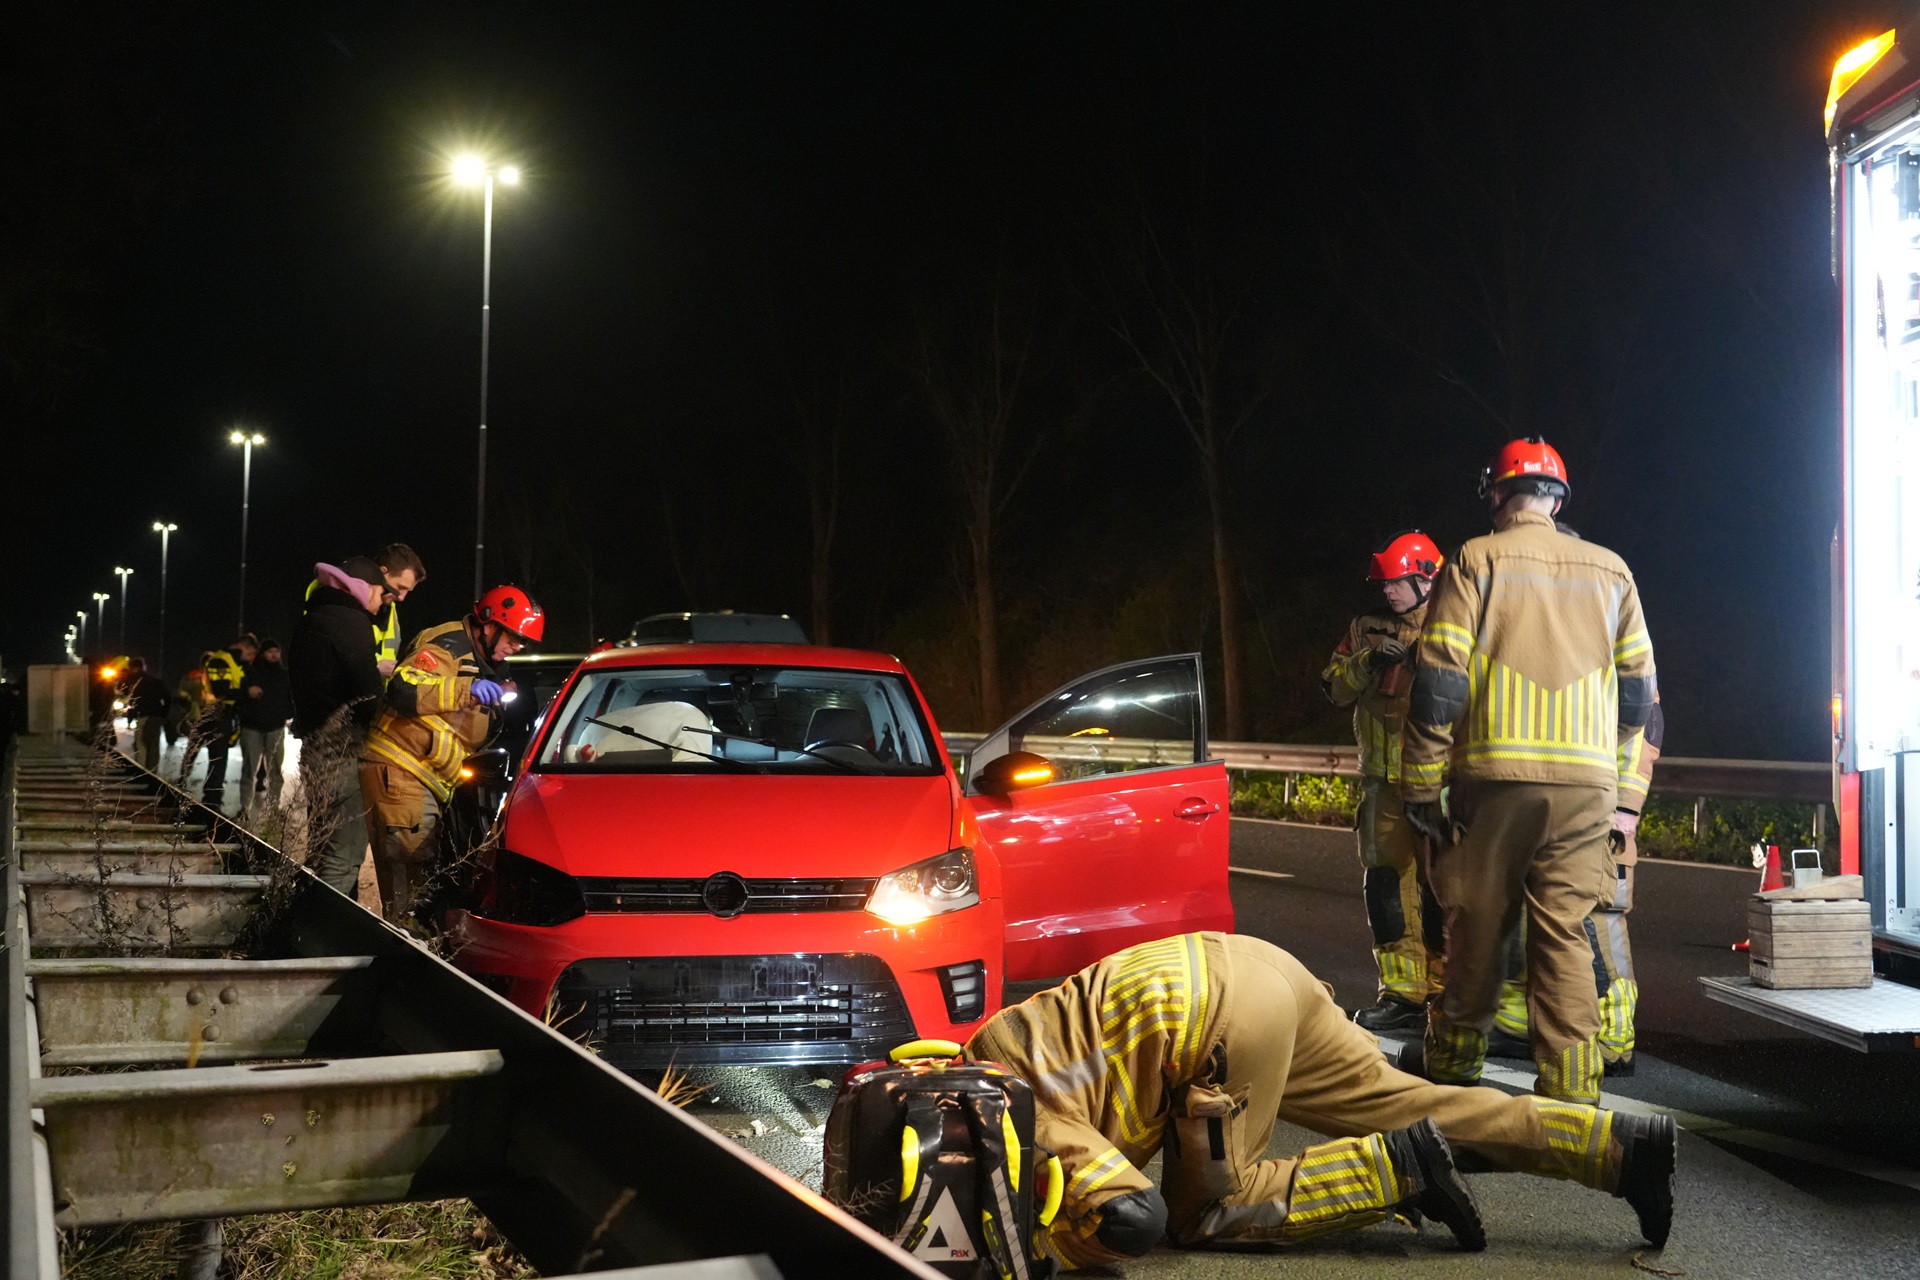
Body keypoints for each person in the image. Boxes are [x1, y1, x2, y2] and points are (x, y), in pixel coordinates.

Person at [965, 932, 1674, 1268]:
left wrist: (1045, 1243)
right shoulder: (996, 1045)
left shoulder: (999, 1110)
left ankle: (1401, 1168)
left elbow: (1128, 1215)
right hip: (1255, 965)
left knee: (1206, 1212)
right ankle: (1616, 1148)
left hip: (1208, 1019)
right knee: (1412, 1101)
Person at [1399, 437, 1656, 1104]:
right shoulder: (1612, 571)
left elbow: (1439, 683)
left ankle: (1452, 1086)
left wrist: (1422, 782)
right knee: (1564, 935)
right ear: (1558, 497)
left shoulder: (1475, 559)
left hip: (1495, 781)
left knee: (1477, 928)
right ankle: (1572, 1102)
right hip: (1587, 789)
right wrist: (1615, 783)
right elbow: (1638, 698)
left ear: (1496, 492)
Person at [1492, 695, 1663, 1077]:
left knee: (1597, 920)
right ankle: (1518, 1024)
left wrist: (1625, 808)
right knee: (1525, 913)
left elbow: (1646, 722)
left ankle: (1613, 1039)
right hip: (1554, 805)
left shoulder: (1617, 638)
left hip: (1601, 814)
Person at [1321, 532, 1447, 1034]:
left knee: (1444, 892)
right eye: (1386, 583)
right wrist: (1367, 661)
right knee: (1387, 888)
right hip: (1382, 781)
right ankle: (1402, 995)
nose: (1388, 591)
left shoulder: (1455, 625)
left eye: (1397, 582)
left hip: (1440, 783)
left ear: (1424, 578)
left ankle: (1447, 993)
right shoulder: (1365, 627)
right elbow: (1333, 688)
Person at [360, 584, 544, 922]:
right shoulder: (448, 643)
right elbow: (403, 690)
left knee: (424, 874)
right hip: (401, 769)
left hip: (431, 778)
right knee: (406, 878)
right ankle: (404, 956)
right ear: (489, 623)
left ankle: (416, 949)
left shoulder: (487, 660)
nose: (517, 647)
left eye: (524, 642)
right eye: (514, 637)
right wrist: (467, 689)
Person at [289, 561, 388, 896]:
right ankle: (324, 937)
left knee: (320, 848)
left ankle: (303, 925)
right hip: (344, 749)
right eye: (383, 595)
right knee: (342, 856)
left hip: (315, 745)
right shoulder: (352, 620)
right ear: (368, 588)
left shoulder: (315, 616)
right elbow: (366, 689)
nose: (383, 603)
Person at [304, 543, 427, 677]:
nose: (402, 597)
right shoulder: (332, 599)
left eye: (407, 591)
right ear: (382, 572)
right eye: (400, 587)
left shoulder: (389, 609)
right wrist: (373, 668)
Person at [237, 636, 294, 820]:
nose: (274, 655)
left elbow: (290, 697)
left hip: (275, 727)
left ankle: (274, 807)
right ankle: (244, 808)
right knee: (249, 770)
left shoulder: (284, 674)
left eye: (277, 652)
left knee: (275, 771)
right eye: (270, 652)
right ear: (263, 654)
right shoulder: (250, 672)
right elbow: (240, 695)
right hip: (252, 727)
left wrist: (287, 714)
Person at [120, 657, 170, 771]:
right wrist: (163, 713)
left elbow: (134, 702)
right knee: (154, 746)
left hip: (143, 716)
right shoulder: (155, 681)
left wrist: (130, 718)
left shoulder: (136, 682)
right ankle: (153, 772)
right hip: (156, 716)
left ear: (134, 668)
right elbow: (167, 697)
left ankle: (141, 771)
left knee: (141, 744)